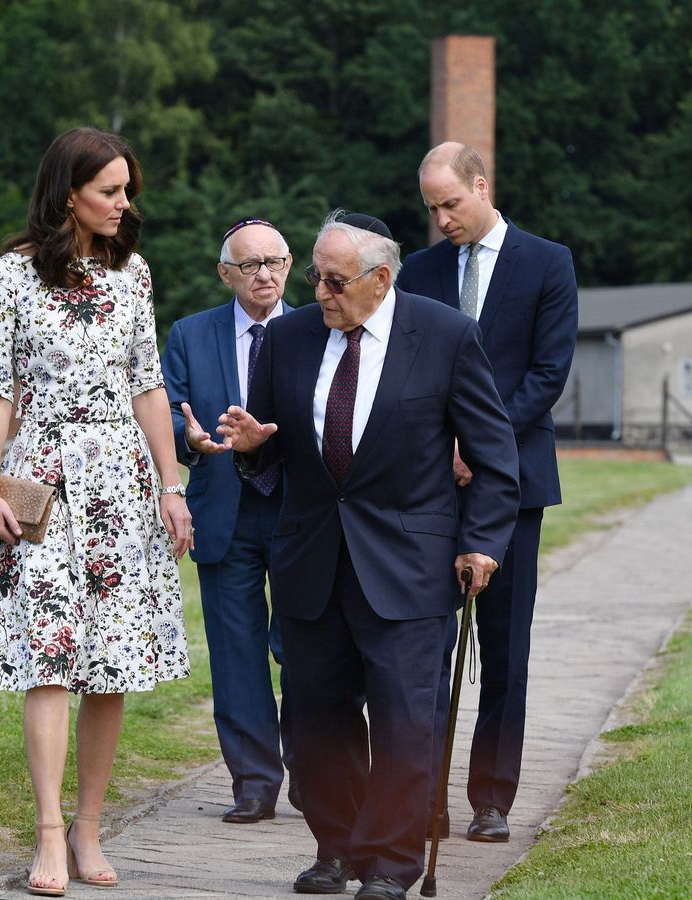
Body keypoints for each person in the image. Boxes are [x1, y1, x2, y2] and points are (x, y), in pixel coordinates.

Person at [218, 211, 519, 900]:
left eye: (336, 281)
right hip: (312, 561)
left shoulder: (444, 336)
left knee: (405, 722)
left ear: (380, 279)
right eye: (315, 277)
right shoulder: (288, 338)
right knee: (313, 721)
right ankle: (337, 845)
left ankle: (389, 861)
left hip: (409, 566)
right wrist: (252, 448)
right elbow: (267, 450)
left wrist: (481, 542)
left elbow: (495, 457)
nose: (319, 293)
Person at [0, 126, 192, 897]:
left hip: (122, 484)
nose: (125, 205)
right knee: (50, 655)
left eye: (128, 191)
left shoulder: (134, 274)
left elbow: (148, 384)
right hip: (46, 481)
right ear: (68, 196)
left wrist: (171, 485)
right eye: (110, 191)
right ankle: (50, 833)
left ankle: (90, 828)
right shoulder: (7, 276)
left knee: (110, 662)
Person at [396, 142, 578, 844]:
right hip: (431, 485)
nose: (442, 219)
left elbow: (548, 374)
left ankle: (492, 799)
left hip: (513, 485)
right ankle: (425, 796)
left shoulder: (547, 263)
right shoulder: (418, 271)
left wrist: (479, 444)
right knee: (425, 649)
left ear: (481, 186)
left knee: (503, 649)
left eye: (450, 203)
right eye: (431, 208)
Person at [161, 217, 295, 823]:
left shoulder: (317, 328)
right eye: (249, 265)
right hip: (224, 511)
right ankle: (254, 784)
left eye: (274, 262)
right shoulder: (191, 334)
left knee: (305, 650)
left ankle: (315, 775)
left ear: (288, 265)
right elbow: (165, 411)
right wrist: (187, 439)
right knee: (236, 654)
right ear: (225, 274)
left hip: (300, 512)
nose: (264, 274)